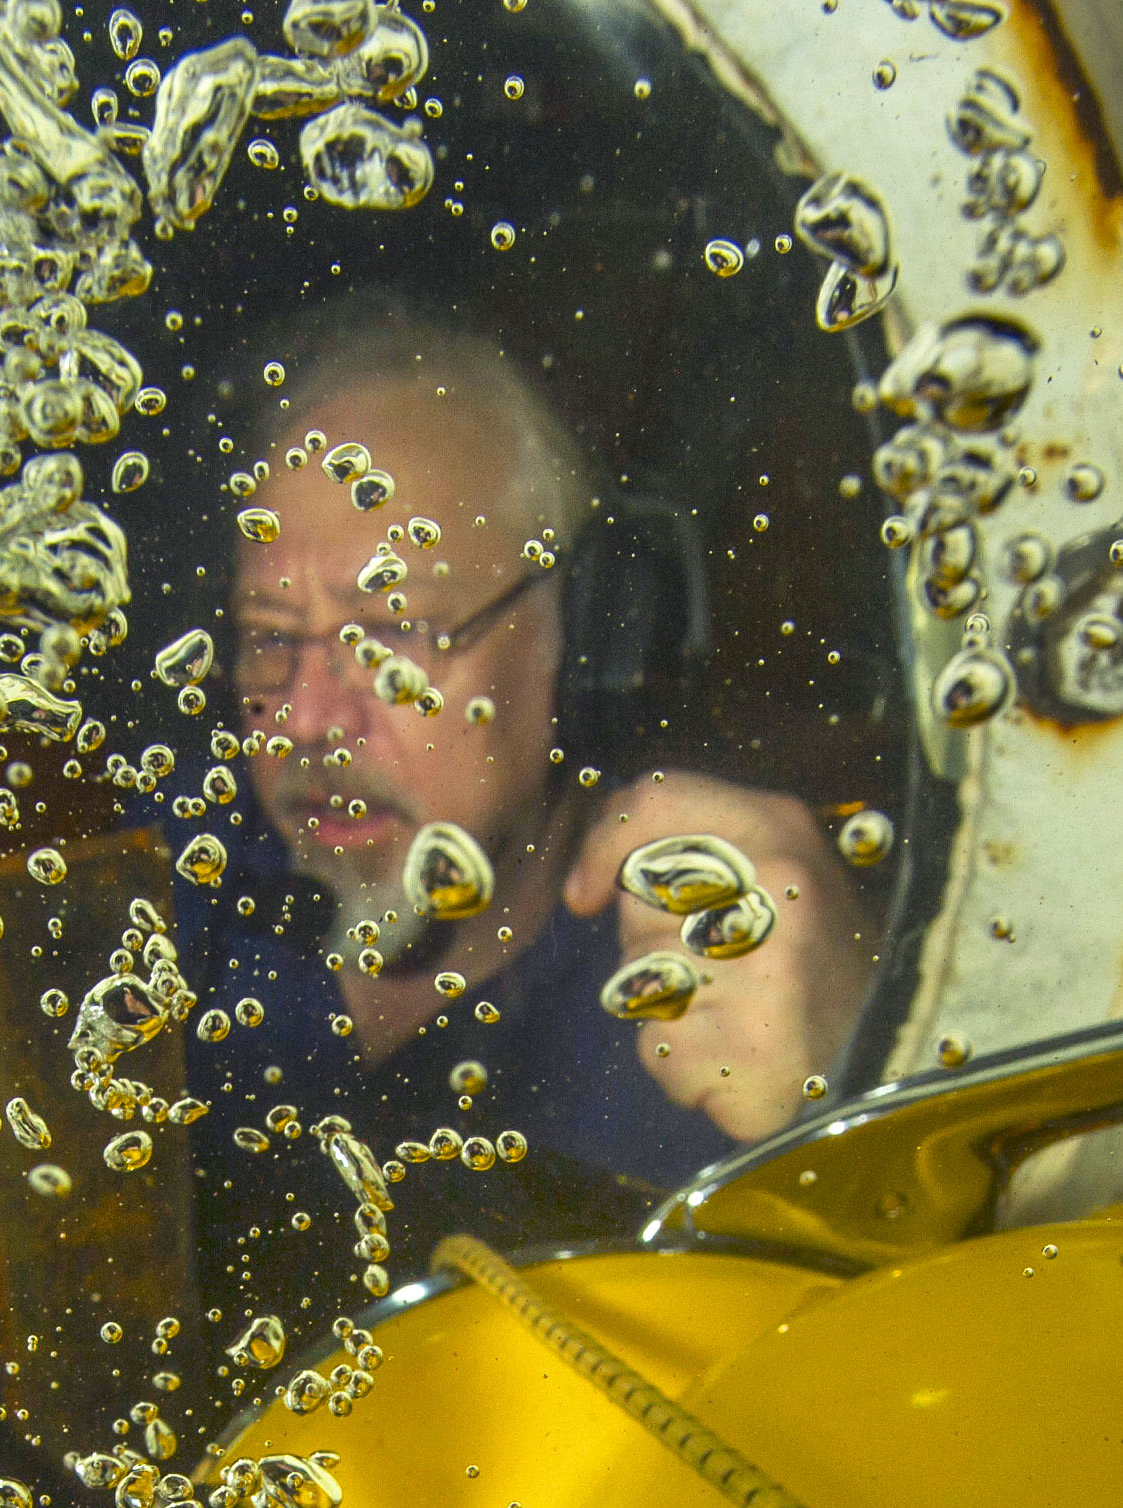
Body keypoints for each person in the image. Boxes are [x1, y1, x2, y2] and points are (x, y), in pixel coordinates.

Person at [175, 295, 887, 1324]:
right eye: (272, 639)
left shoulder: (703, 996)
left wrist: (863, 1084)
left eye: (393, 632)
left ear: (588, 637)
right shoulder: (167, 908)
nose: (310, 721)